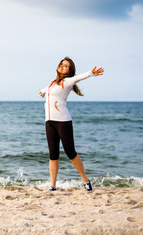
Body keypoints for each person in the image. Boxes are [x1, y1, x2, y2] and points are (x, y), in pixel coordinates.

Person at [39, 57, 104, 191]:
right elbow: (47, 90)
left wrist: (90, 73)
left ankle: (85, 180)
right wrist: (42, 91)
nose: (63, 67)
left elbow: (78, 78)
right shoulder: (52, 83)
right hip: (49, 122)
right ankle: (52, 185)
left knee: (70, 153)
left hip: (63, 122)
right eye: (61, 64)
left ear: (69, 71)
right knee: (53, 154)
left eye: (66, 66)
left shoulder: (67, 81)